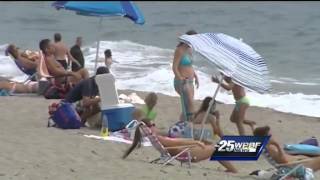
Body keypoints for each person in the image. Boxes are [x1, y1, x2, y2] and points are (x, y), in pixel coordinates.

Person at [122, 122, 238, 173]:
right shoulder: (161, 139)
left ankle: (231, 168)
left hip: (183, 152)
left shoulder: (156, 138)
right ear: (150, 127)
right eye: (153, 124)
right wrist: (195, 142)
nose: (155, 126)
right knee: (216, 148)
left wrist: (194, 142)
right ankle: (232, 170)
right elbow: (177, 142)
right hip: (187, 155)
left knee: (214, 147)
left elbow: (176, 142)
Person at [253, 126, 320, 172]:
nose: (273, 136)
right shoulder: (272, 149)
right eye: (271, 135)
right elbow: (284, 162)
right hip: (299, 166)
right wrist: (277, 145)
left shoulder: (266, 146)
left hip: (299, 162)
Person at [172, 30, 199, 122]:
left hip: (191, 81)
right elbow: (174, 67)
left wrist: (196, 76)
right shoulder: (179, 50)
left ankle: (182, 124)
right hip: (183, 81)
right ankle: (190, 124)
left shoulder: (189, 50)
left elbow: (190, 65)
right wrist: (180, 78)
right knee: (190, 105)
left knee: (188, 105)